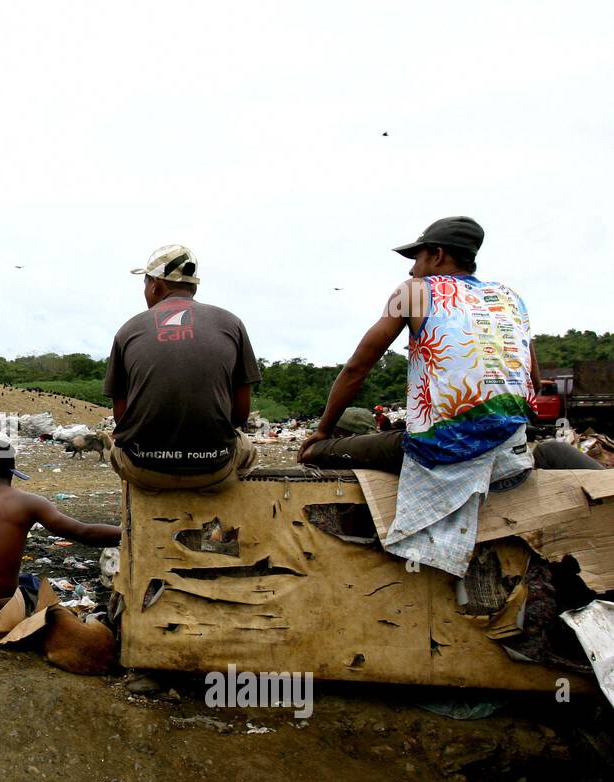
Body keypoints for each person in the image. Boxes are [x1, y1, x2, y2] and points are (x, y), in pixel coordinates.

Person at [297, 216, 553, 576]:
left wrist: (323, 430)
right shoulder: (509, 297)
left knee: (316, 453)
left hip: (442, 450)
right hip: (510, 449)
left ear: (437, 254)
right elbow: (534, 381)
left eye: (416, 259)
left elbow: (357, 369)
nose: (414, 269)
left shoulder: (415, 290)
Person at [105, 244, 261, 493]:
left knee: (115, 448)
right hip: (215, 468)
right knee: (248, 449)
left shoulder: (129, 329)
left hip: (145, 469)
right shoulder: (231, 323)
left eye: (145, 285)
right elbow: (241, 413)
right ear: (193, 286)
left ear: (156, 284)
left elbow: (121, 419)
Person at [0, 438, 120, 604]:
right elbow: (84, 532)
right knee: (33, 591)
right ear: (12, 472)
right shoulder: (28, 503)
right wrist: (129, 534)